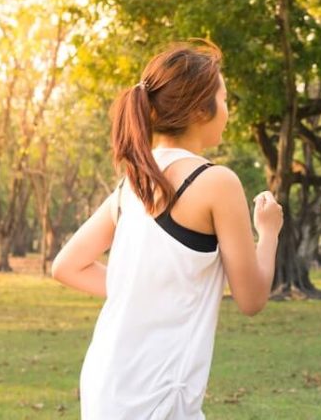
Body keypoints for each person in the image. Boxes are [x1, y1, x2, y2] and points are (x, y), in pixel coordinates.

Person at [51, 40, 283, 419]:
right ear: (199, 110)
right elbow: (252, 298)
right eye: (224, 100)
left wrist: (141, 290)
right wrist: (269, 232)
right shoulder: (217, 183)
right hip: (157, 392)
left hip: (106, 382)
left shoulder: (133, 184)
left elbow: (67, 266)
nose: (227, 112)